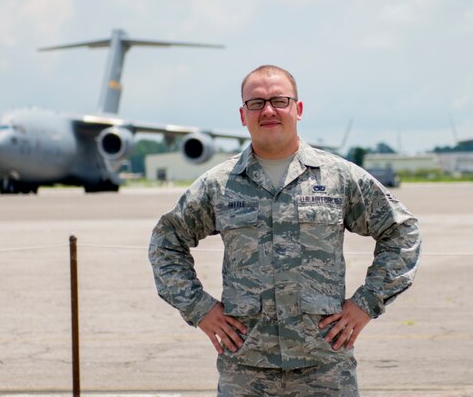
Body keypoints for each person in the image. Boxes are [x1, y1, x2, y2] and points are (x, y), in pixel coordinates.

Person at [148, 65, 422, 396]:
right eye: (256, 103)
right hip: (246, 370)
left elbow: (402, 231)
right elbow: (166, 242)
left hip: (324, 368)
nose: (268, 111)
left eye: (279, 100)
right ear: (242, 114)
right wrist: (200, 309)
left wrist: (367, 303)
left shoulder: (338, 178)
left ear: (298, 109)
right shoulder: (218, 186)